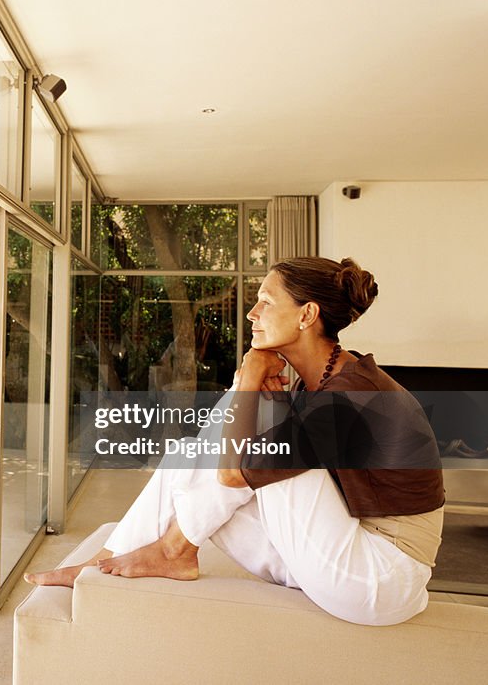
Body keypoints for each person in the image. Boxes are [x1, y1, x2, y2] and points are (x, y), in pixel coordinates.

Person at [25, 257, 445, 626]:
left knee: (248, 431)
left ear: (306, 315)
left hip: (378, 577)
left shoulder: (353, 394)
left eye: (265, 300)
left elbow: (230, 474)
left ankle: (174, 551)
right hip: (343, 556)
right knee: (187, 455)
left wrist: (249, 374)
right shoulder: (322, 382)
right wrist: (263, 392)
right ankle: (105, 563)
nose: (251, 313)